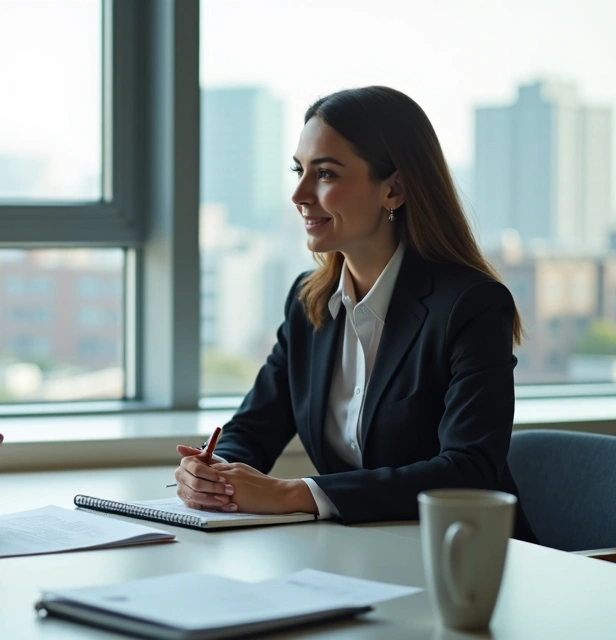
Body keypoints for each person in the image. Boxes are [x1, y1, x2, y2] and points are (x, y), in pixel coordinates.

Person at [173, 86, 535, 541]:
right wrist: (215, 472)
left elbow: (469, 469)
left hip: (464, 558)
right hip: (358, 552)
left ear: (395, 188)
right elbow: (253, 428)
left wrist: (294, 493)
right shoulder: (309, 303)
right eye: (298, 170)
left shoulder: (471, 305)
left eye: (324, 173)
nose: (299, 194)